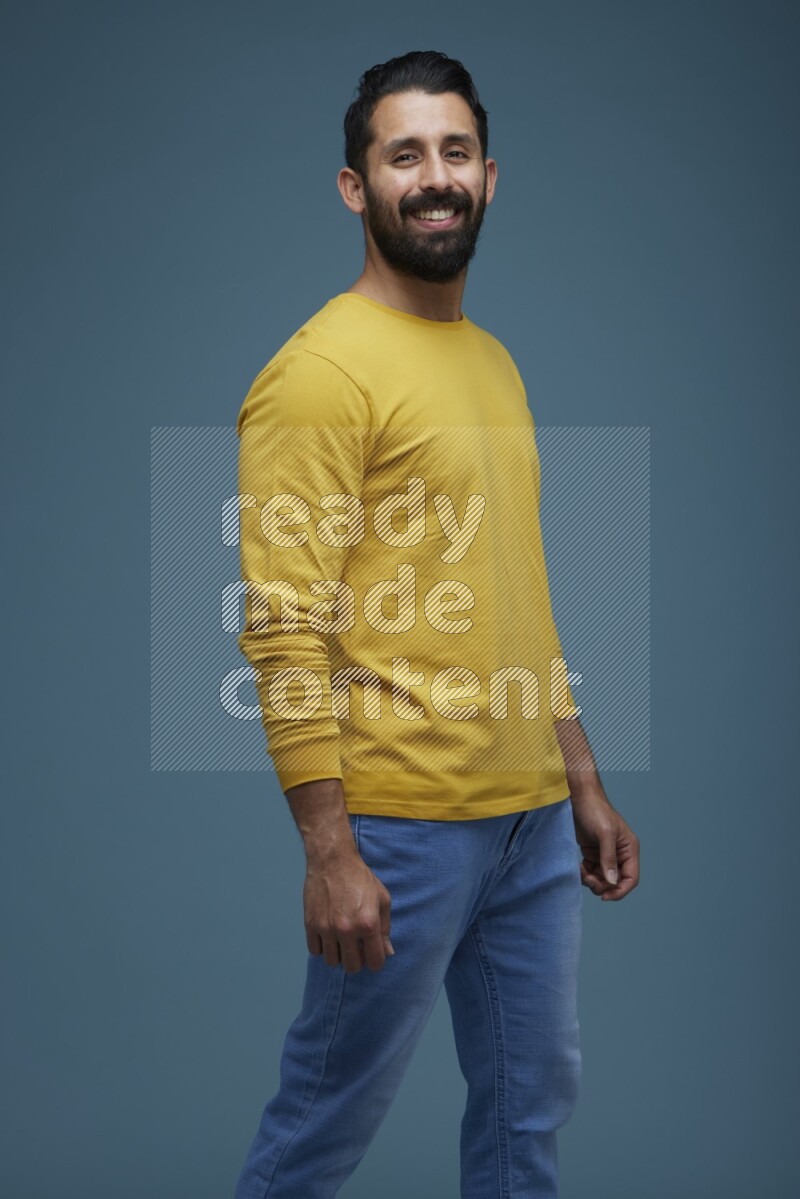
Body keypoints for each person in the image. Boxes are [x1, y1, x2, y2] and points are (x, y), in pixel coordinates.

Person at [233, 49, 640, 1199]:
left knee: (526, 1121)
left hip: (529, 830)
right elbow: (282, 624)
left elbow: (515, 596)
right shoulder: (317, 374)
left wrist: (580, 779)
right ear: (355, 187)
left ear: (489, 176)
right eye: (402, 153)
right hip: (401, 829)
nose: (433, 175)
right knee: (322, 1129)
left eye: (452, 151)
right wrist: (330, 849)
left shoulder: (491, 363)